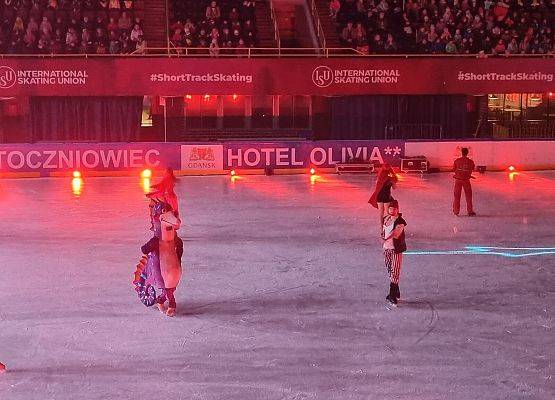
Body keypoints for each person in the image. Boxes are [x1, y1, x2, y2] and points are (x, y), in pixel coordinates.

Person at [381, 200, 407, 306]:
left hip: (396, 249)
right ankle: (396, 289)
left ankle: (392, 294)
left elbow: (396, 234)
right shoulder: (386, 219)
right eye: (391, 208)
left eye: (394, 208)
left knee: (395, 271)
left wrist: (386, 237)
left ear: (398, 209)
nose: (392, 210)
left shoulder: (400, 221)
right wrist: (383, 235)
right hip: (386, 248)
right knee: (389, 270)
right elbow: (384, 230)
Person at [368, 163, 398, 227]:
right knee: (388, 213)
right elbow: (394, 188)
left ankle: (381, 227)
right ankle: (389, 226)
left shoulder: (380, 176)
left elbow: (377, 185)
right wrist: (393, 180)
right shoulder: (391, 178)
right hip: (386, 196)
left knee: (381, 213)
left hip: (379, 196)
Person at [453, 147, 476, 216]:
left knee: (457, 196)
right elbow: (472, 169)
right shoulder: (471, 162)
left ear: (461, 152)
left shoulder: (457, 161)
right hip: (466, 180)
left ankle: (456, 211)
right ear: (467, 153)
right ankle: (470, 211)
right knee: (468, 196)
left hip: (458, 180)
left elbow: (454, 169)